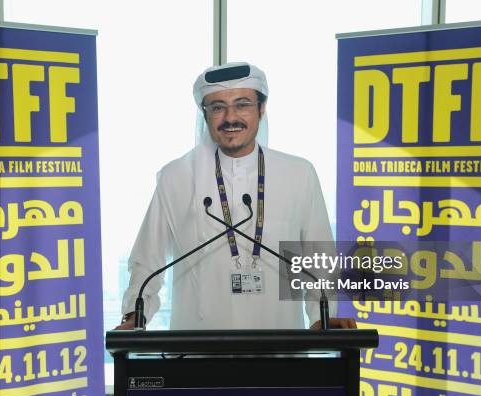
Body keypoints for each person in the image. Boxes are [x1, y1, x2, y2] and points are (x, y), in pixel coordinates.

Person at [116, 62, 355, 330]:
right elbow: (147, 260)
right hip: (195, 352)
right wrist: (135, 315)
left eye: (242, 104)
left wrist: (321, 317)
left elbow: (318, 256)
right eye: (218, 107)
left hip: (280, 351)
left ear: (262, 109)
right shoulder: (175, 177)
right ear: (205, 115)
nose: (230, 117)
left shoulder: (299, 174)